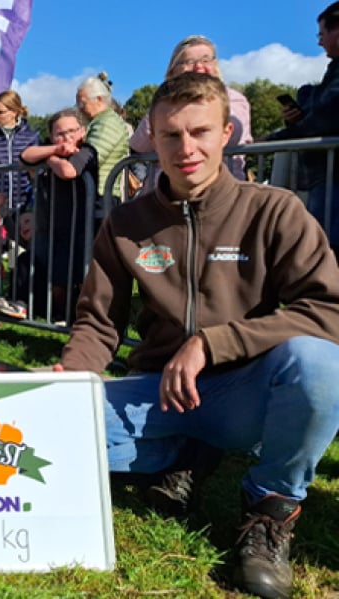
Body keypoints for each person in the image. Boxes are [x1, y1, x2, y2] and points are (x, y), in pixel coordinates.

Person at [54, 72, 339, 599]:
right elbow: (98, 322)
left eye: (200, 132)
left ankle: (269, 508)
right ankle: (186, 454)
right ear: (152, 138)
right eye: (171, 135)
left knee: (321, 366)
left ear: (227, 132)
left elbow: (329, 312)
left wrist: (213, 342)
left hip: (243, 391)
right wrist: (70, 376)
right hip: (157, 391)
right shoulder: (124, 223)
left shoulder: (274, 210)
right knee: (47, 426)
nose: (186, 149)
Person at [130, 35, 253, 188]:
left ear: (215, 65)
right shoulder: (162, 104)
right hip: (165, 193)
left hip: (222, 193)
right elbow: (138, 145)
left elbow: (234, 135)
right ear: (173, 70)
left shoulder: (234, 100)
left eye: (206, 60)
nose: (199, 67)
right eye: (189, 62)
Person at [267, 2, 339, 255]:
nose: (319, 43)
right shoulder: (333, 71)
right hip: (325, 175)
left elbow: (327, 118)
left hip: (332, 178)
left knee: (327, 250)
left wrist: (275, 139)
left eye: (321, 34)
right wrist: (297, 120)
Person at [20, 108, 98, 322]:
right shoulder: (51, 148)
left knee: (81, 277)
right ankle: (57, 315)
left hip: (79, 224)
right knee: (56, 278)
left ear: (82, 131)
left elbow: (68, 171)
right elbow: (24, 157)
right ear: (52, 136)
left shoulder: (87, 150)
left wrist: (50, 160)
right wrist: (55, 151)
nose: (67, 137)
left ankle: (81, 320)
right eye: (60, 134)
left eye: (71, 131)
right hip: (51, 224)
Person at [75, 73, 130, 204]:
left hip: (101, 197)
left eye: (82, 104)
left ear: (99, 99)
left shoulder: (107, 123)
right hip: (97, 195)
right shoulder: (101, 121)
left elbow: (91, 158)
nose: (79, 110)